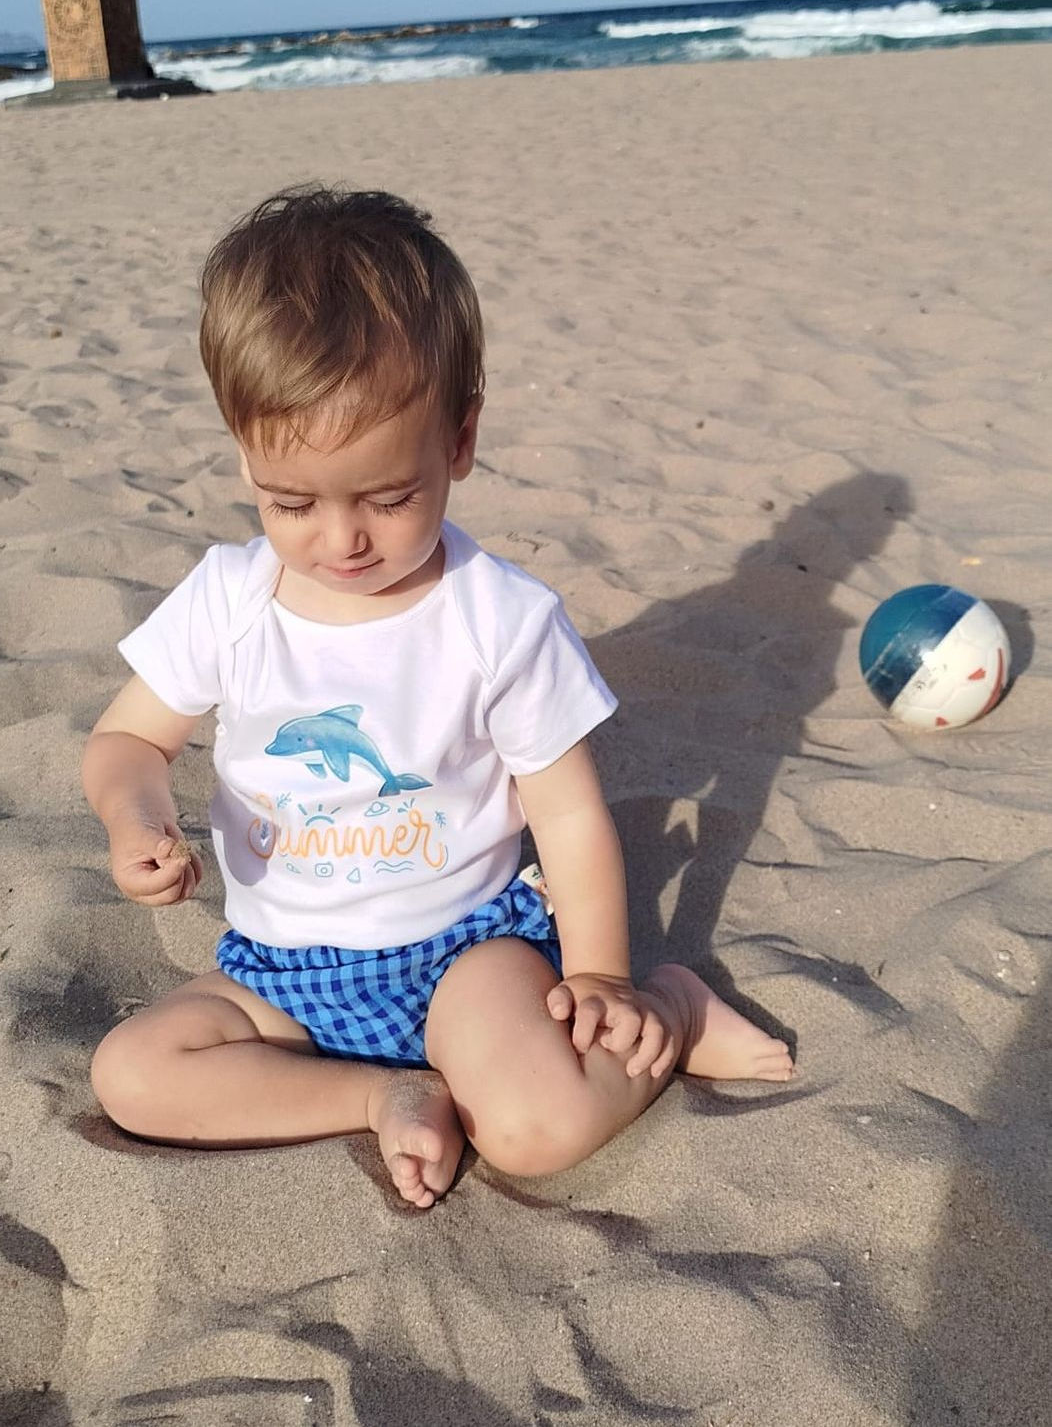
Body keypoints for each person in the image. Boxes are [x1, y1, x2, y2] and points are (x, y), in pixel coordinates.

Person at [82, 186, 794, 1209]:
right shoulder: (228, 601)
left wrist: (602, 977)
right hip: (280, 973)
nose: (342, 539)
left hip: (465, 954)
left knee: (535, 1129)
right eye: (291, 502)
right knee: (134, 1074)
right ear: (244, 455)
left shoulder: (497, 617)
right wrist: (135, 816)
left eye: (389, 497)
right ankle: (383, 1095)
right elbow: (126, 742)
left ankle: (675, 1014)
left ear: (457, 443)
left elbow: (568, 815)